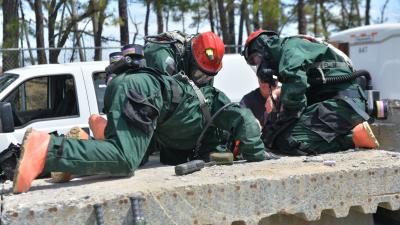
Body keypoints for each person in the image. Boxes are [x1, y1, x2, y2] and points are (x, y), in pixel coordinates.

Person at [13, 31, 266, 193]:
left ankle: (98, 138)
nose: (201, 78)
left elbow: (171, 155)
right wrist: (257, 156)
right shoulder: (214, 101)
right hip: (143, 92)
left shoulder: (195, 110)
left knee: (139, 154)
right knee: (125, 160)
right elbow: (246, 119)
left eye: (206, 75)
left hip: (139, 94)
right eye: (198, 72)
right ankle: (47, 150)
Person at [241, 30, 379, 156]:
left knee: (288, 140)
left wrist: (281, 122)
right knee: (276, 140)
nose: (258, 65)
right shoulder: (293, 50)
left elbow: (296, 86)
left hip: (343, 104)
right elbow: (300, 85)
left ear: (264, 48)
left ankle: (352, 137)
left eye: (255, 59)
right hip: (336, 103)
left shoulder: (290, 49)